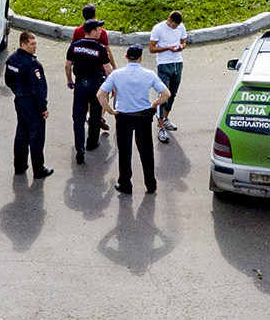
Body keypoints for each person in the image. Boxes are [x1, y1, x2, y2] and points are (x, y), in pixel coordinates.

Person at [96, 45, 171, 195]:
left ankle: (125, 183)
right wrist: (154, 104)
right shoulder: (149, 74)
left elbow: (100, 95)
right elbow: (166, 94)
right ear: (140, 58)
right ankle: (150, 184)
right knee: (146, 152)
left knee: (124, 152)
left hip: (123, 118)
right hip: (143, 117)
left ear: (126, 57)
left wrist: (110, 110)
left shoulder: (117, 75)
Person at [4, 32, 54, 178]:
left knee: (22, 133)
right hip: (32, 104)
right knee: (36, 137)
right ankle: (39, 170)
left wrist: (18, 92)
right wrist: (43, 107)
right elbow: (39, 89)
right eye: (32, 44)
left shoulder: (11, 60)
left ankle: (19, 166)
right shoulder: (32, 65)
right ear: (23, 45)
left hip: (19, 101)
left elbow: (8, 81)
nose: (35, 46)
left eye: (35, 43)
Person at [64, 19, 114, 163]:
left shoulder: (74, 46)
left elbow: (67, 66)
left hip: (80, 84)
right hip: (96, 85)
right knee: (95, 115)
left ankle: (80, 148)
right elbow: (108, 69)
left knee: (78, 117)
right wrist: (112, 86)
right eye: (98, 30)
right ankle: (92, 142)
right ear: (92, 32)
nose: (100, 32)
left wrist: (69, 80)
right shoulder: (100, 49)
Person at [148, 10, 187, 142]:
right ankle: (160, 127)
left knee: (173, 93)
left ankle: (165, 118)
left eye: (177, 26)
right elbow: (151, 49)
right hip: (164, 64)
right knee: (164, 94)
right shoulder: (158, 29)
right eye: (173, 25)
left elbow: (183, 42)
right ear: (169, 20)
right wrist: (167, 48)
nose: (175, 28)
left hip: (177, 63)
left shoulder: (181, 27)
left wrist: (181, 46)